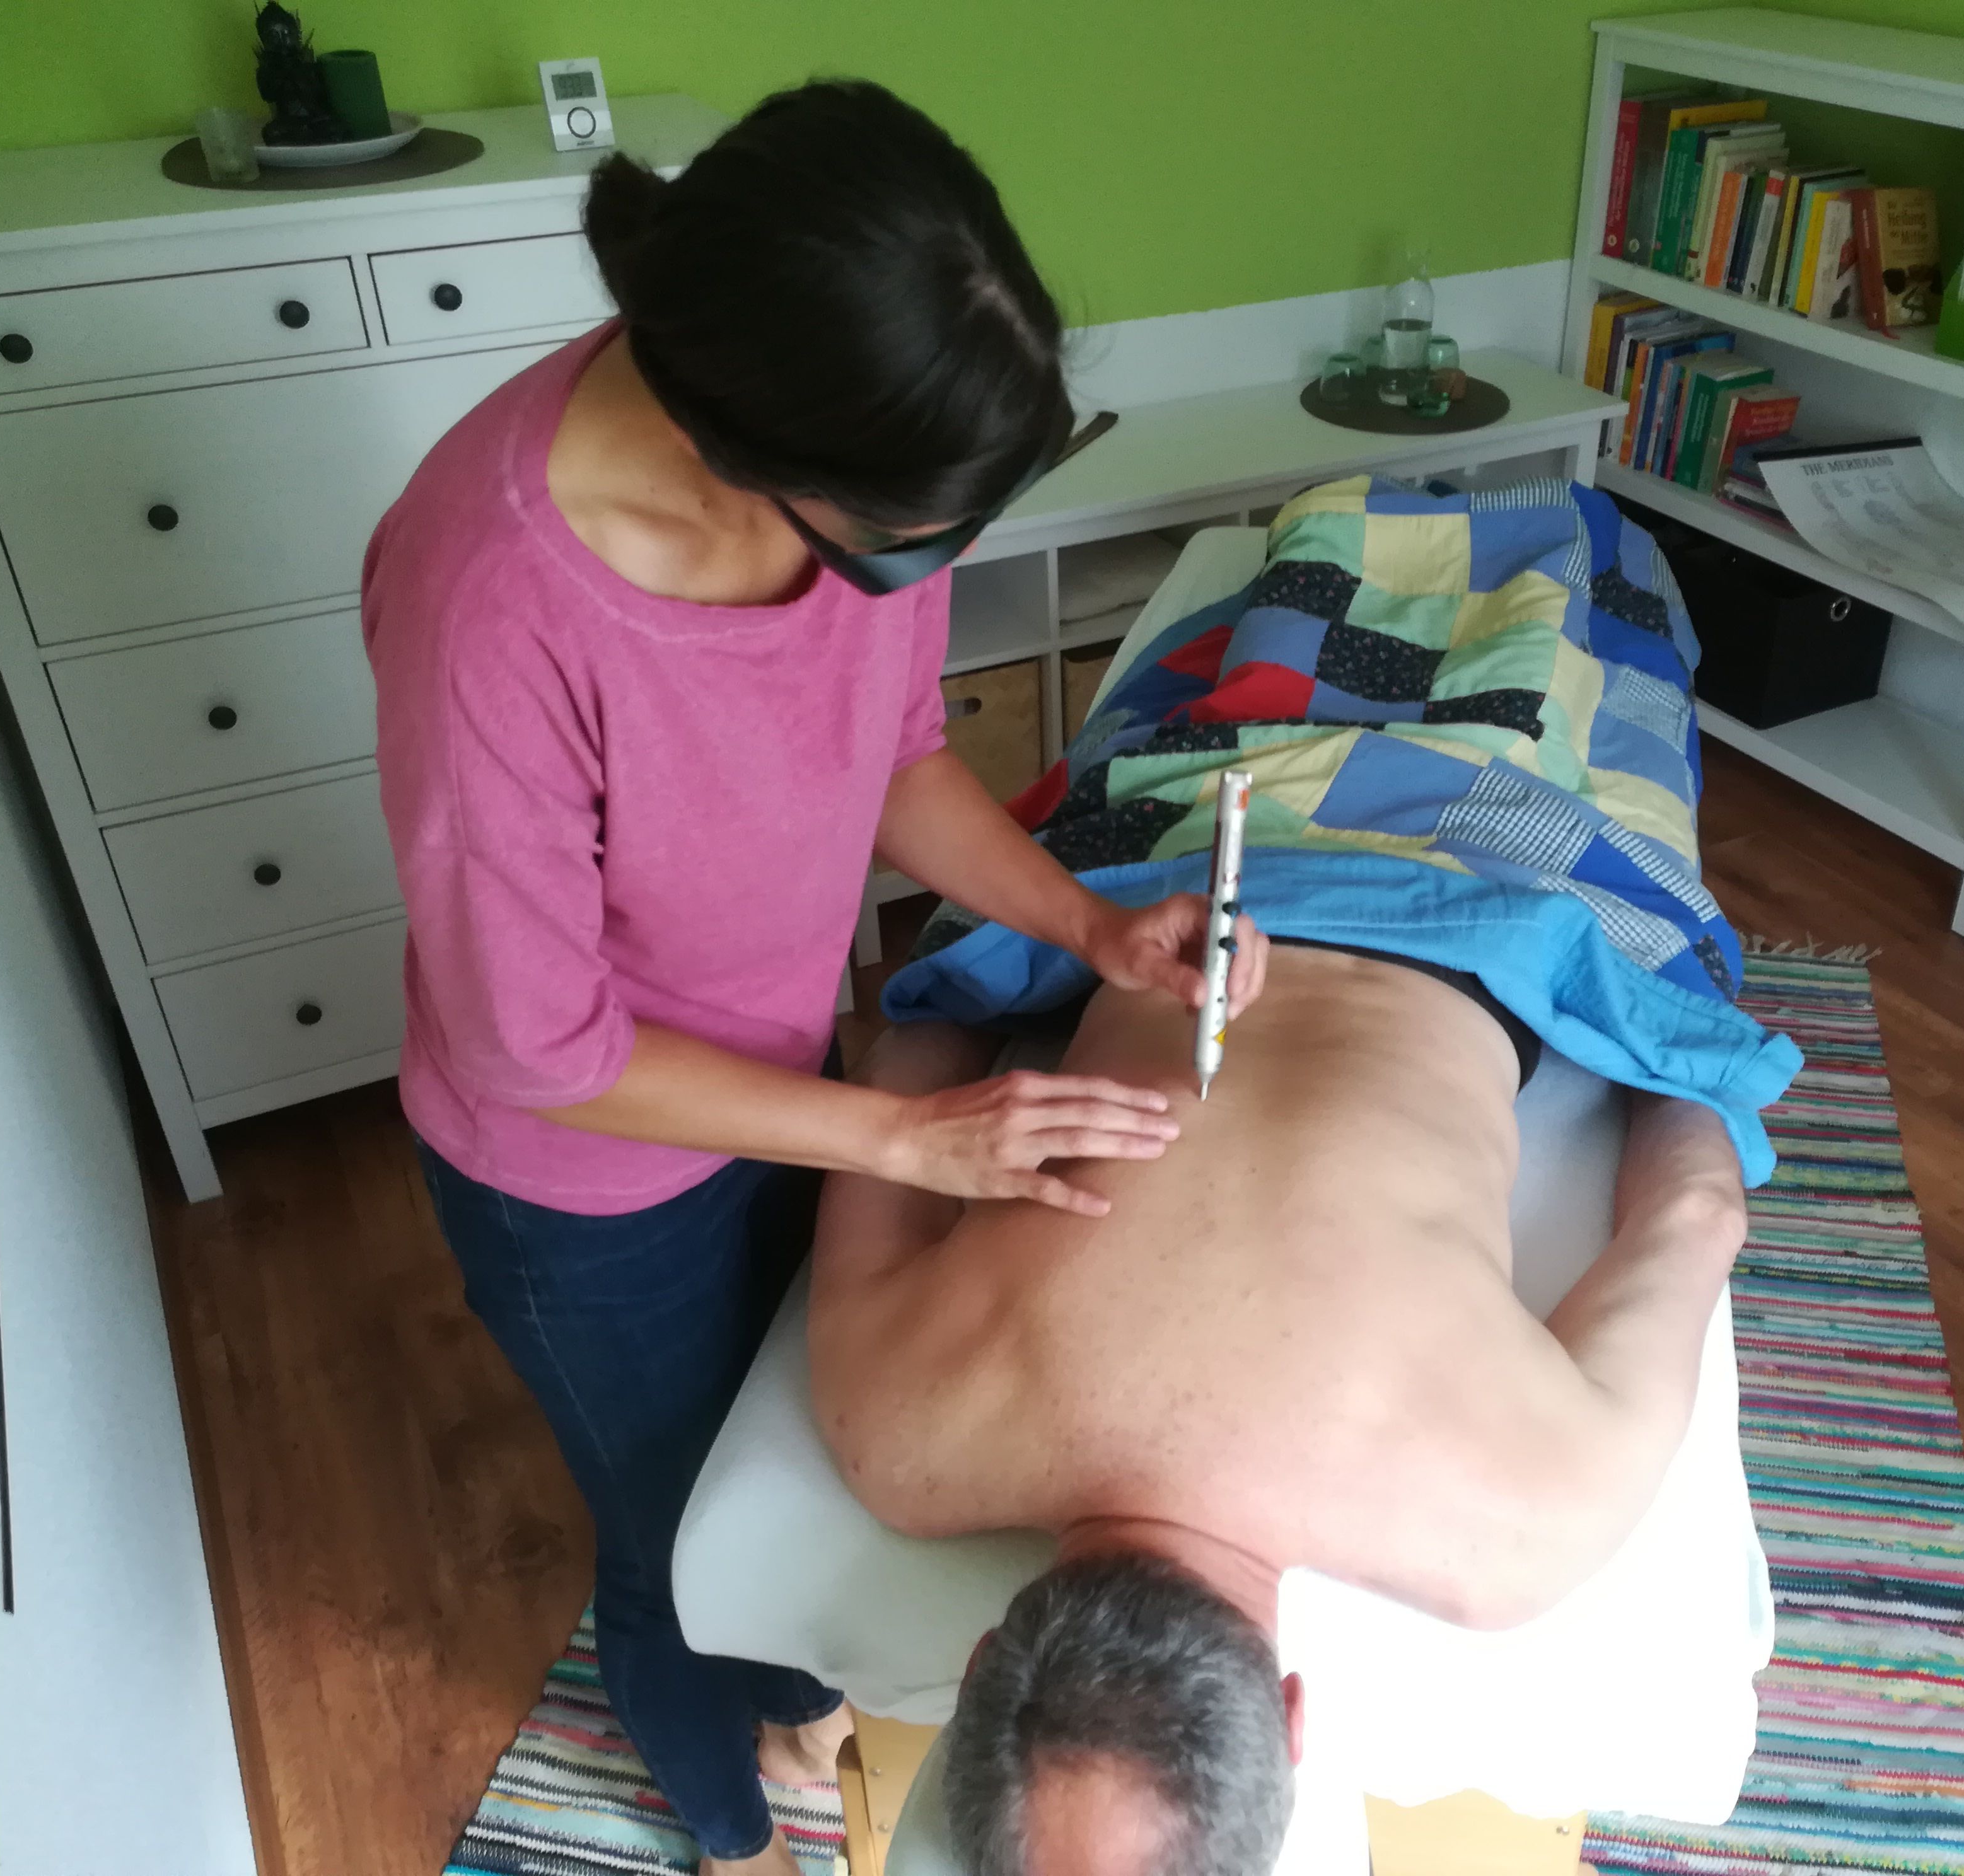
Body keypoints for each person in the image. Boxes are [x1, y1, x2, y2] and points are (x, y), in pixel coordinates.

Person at [363, 81, 1264, 1876]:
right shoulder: (490, 600)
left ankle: (790, 1694)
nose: (928, 568)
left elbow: (895, 754)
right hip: (579, 1176)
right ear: (742, 448)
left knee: (784, 1450)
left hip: (781, 1077)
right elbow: (538, 1044)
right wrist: (905, 1141)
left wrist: (1089, 927)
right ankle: (727, 1835)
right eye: (910, 535)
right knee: (675, 1540)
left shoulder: (861, 474)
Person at [808, 947, 1747, 1876]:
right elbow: (911, 1058)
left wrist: (1650, 999)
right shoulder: (894, 1433)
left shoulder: (1513, 1536)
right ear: (982, 1667)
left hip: (1489, 934)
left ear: (1292, 1720)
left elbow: (1699, 1210)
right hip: (1150, 918)